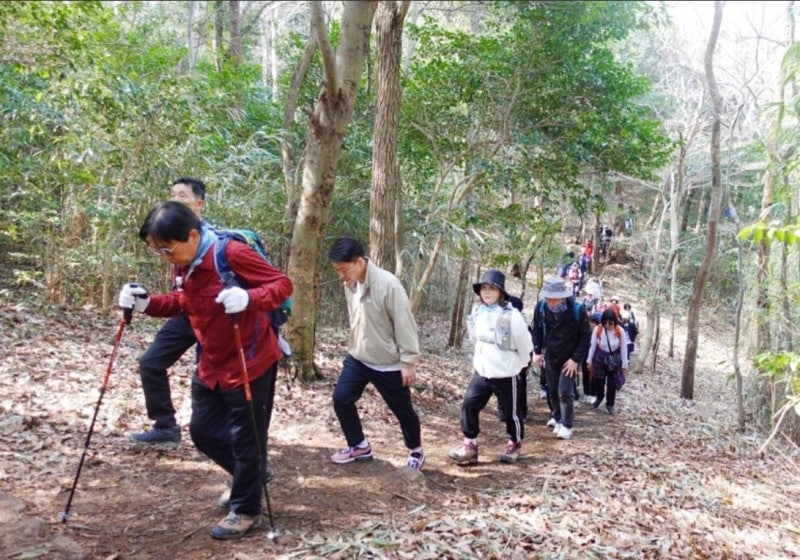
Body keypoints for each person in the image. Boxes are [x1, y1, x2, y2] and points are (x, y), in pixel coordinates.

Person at [119, 201, 293, 540]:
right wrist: (145, 303)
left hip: (249, 359)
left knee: (246, 439)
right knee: (203, 431)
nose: (165, 257)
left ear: (193, 235)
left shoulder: (231, 253)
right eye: (158, 251)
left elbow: (282, 285)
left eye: (167, 249)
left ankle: (246, 509)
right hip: (212, 361)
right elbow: (183, 303)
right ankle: (252, 476)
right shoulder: (184, 265)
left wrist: (249, 298)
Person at [327, 237, 426, 471]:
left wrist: (408, 362)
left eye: (343, 269)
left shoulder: (389, 285)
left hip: (387, 362)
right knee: (341, 399)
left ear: (360, 262)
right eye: (337, 270)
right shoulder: (350, 284)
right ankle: (359, 445)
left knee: (403, 411)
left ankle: (416, 450)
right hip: (359, 357)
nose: (341, 275)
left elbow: (404, 324)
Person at [130, 177, 208, 445]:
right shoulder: (170, 235)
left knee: (206, 381)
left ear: (199, 204)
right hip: (186, 315)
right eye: (172, 194)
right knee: (150, 362)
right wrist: (146, 302)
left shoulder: (210, 239)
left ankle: (214, 436)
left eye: (182, 195)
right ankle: (165, 426)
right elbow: (180, 295)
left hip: (214, 319)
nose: (175, 199)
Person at [451, 271, 533, 465]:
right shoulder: (478, 311)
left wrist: (520, 365)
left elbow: (526, 345)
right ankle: (470, 444)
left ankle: (514, 443)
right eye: (484, 288)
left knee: (511, 413)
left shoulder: (512, 316)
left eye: (492, 288)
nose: (487, 292)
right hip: (482, 371)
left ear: (501, 292)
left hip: (506, 372)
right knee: (469, 405)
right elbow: (475, 338)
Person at [531, 277, 592, 440]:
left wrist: (576, 359)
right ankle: (557, 418)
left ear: (563, 296)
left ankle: (567, 425)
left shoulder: (577, 310)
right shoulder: (542, 307)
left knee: (564, 391)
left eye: (554, 298)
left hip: (570, 358)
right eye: (548, 297)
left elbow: (585, 336)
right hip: (551, 355)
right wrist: (537, 351)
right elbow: (536, 329)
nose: (551, 301)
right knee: (551, 390)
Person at [496, 294, 530, 423]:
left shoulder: (522, 324)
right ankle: (502, 411)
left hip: (518, 361)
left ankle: (522, 411)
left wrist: (526, 363)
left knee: (520, 386)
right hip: (503, 360)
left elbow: (528, 345)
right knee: (501, 384)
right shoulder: (500, 321)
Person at [587, 309, 628, 415]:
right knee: (599, 380)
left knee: (612, 383)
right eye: (605, 323)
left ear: (615, 322)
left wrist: (625, 363)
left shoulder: (620, 331)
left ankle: (610, 404)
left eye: (610, 323)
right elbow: (593, 346)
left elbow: (623, 347)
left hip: (613, 359)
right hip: (600, 358)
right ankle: (599, 397)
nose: (608, 325)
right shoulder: (598, 329)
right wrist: (589, 360)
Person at [581, 315, 600, 403]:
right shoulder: (584, 334)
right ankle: (586, 393)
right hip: (585, 357)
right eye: (591, 323)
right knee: (585, 375)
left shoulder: (599, 334)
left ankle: (593, 394)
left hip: (596, 358)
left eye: (594, 324)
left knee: (594, 376)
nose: (592, 325)